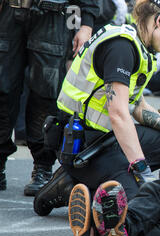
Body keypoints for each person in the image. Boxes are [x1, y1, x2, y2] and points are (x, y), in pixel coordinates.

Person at [33, 0, 160, 216]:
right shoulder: (121, 47)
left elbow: (137, 104)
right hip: (83, 145)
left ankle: (81, 182)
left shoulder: (141, 47)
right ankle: (72, 185)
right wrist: (141, 169)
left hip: (107, 139)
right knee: (141, 206)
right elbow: (118, 114)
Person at [0, 0, 99, 194]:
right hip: (9, 12)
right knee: (2, 91)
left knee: (45, 94)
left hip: (54, 14)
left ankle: (43, 167)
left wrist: (86, 25)